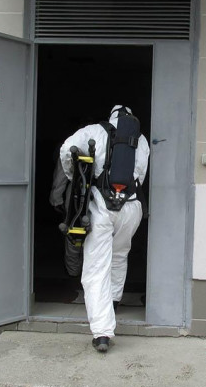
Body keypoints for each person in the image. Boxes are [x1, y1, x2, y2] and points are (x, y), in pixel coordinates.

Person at [59, 105, 149, 352]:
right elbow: (140, 174)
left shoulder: (94, 131)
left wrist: (75, 178)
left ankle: (102, 332)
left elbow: (67, 149)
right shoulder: (140, 139)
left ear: (111, 117)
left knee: (96, 267)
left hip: (101, 206)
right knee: (119, 256)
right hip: (131, 207)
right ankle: (113, 302)